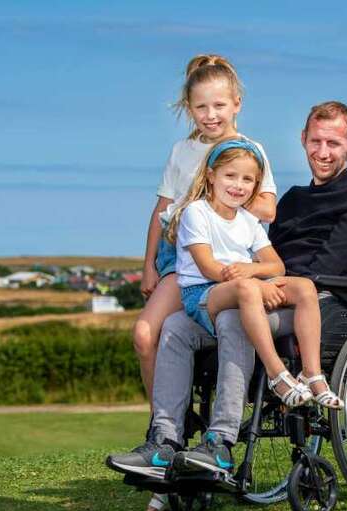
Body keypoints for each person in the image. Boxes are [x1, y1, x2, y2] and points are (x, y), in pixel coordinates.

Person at [107, 102, 347, 511]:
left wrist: (269, 284)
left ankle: (220, 442)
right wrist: (260, 281)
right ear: (303, 141)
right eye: (316, 141)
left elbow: (330, 263)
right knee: (176, 327)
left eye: (333, 143)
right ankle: (164, 440)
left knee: (235, 314)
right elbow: (263, 252)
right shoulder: (290, 200)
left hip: (316, 300)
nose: (323, 152)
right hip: (261, 289)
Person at [133, 54, 277, 410]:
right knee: (144, 334)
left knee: (183, 332)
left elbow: (268, 209)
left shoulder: (249, 150)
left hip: (227, 258)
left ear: (236, 105)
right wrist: (148, 264)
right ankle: (163, 428)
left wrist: (220, 194)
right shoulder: (181, 151)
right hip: (178, 258)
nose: (211, 115)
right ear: (189, 107)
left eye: (219, 105)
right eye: (201, 107)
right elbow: (160, 211)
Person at [166, 138, 344, 410]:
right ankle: (276, 374)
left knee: (304, 287)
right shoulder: (196, 212)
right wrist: (256, 285)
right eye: (230, 176)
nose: (238, 185)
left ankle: (311, 373)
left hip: (243, 284)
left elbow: (276, 266)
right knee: (248, 290)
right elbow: (208, 267)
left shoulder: (248, 220)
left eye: (248, 180)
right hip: (203, 292)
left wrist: (253, 270)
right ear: (211, 175)